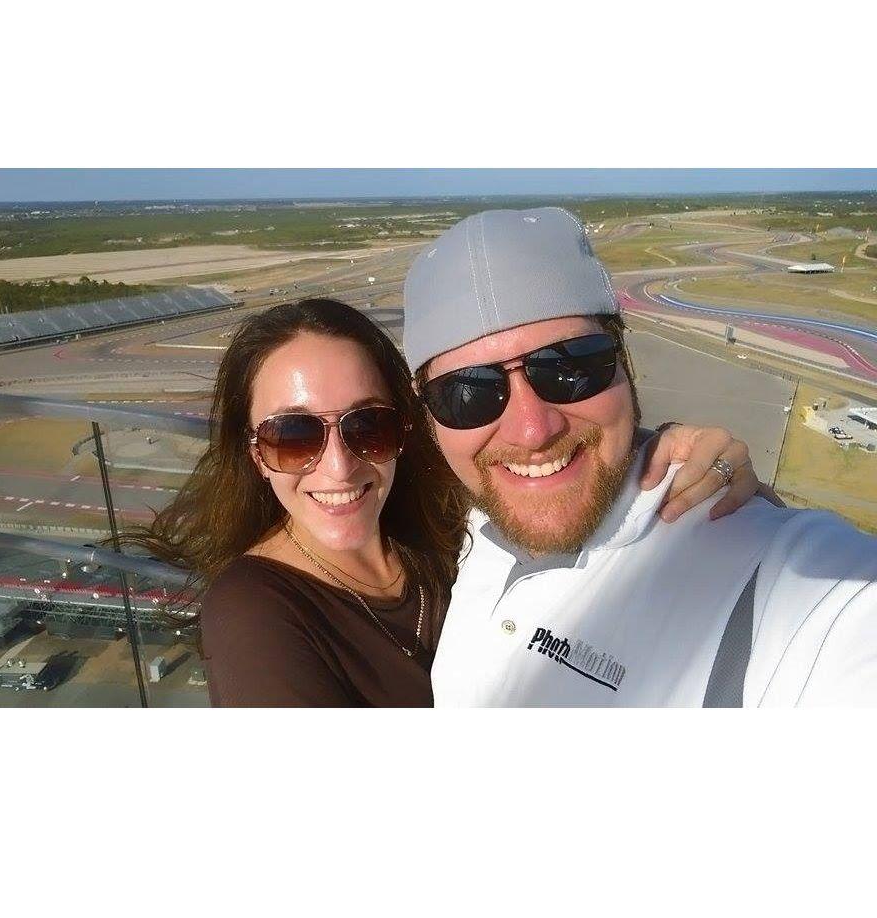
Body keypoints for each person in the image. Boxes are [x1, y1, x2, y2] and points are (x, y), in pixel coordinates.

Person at [135, 296, 769, 707]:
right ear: (252, 451)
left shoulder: (448, 534)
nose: (338, 464)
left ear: (407, 432)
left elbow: (544, 467)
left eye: (368, 426)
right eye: (293, 436)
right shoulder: (255, 615)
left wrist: (668, 462)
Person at [402, 207, 877, 707]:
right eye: (467, 393)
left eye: (570, 367)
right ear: (430, 418)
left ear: (623, 363)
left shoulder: (789, 582)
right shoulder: (467, 529)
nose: (532, 431)